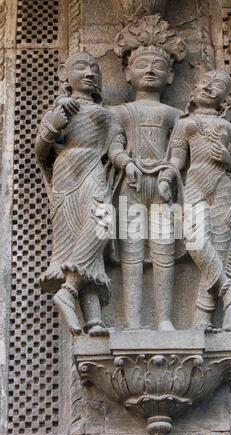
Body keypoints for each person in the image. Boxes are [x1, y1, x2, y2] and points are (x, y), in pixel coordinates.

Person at [35, 52, 128, 336]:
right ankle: (93, 319)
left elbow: (116, 151)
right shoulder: (62, 109)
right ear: (66, 76)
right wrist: (55, 122)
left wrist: (130, 165)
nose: (89, 72)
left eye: (94, 68)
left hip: (93, 171)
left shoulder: (107, 116)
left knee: (101, 222)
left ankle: (69, 289)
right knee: (76, 240)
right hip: (66, 174)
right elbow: (41, 151)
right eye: (81, 67)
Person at [161, 70, 231, 331]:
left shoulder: (229, 129)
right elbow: (178, 159)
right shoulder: (185, 123)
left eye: (218, 87)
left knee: (217, 252)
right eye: (205, 82)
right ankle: (229, 290)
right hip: (194, 186)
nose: (210, 89)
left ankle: (202, 321)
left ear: (224, 99)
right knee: (195, 241)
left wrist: (228, 159)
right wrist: (167, 176)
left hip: (223, 190)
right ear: (195, 88)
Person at [110, 14, 185, 331]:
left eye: (158, 66)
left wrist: (172, 170)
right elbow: (114, 145)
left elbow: (180, 148)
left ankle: (165, 319)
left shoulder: (175, 114)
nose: (150, 70)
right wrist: (125, 162)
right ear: (127, 72)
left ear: (170, 76)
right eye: (142, 65)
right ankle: (133, 320)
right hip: (131, 183)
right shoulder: (120, 112)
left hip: (164, 186)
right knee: (131, 253)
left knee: (164, 253)